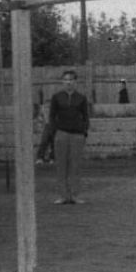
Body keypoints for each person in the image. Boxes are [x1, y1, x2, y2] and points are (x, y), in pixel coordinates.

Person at [49, 70, 90, 204]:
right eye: (66, 80)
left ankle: (74, 195)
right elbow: (52, 116)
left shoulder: (81, 98)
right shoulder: (57, 97)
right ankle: (63, 196)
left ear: (75, 82)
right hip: (61, 134)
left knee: (75, 165)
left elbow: (85, 116)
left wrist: (84, 131)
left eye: (71, 80)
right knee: (61, 165)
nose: (68, 82)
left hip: (77, 135)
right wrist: (54, 132)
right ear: (62, 82)